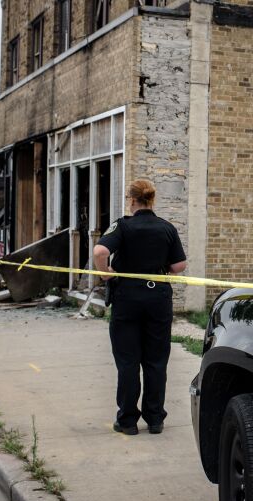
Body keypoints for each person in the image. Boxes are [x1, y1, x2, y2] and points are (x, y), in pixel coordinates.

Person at [93, 180, 187, 436]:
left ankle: (127, 421)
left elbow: (100, 251)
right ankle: (155, 419)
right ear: (152, 200)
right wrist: (161, 268)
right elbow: (179, 266)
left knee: (128, 362)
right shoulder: (167, 228)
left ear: (132, 200)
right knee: (156, 362)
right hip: (158, 298)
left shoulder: (123, 225)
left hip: (127, 299)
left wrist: (106, 274)